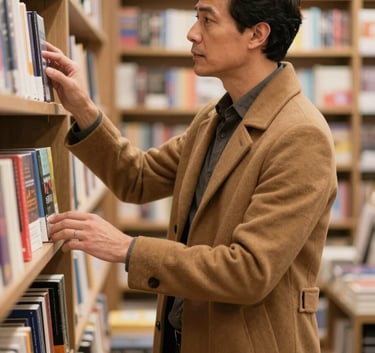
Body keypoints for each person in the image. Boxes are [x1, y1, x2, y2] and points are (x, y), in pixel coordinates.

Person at [46, 0, 337, 352]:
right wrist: (83, 108)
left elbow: (249, 271)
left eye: (207, 20)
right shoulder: (212, 119)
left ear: (257, 35)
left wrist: (128, 249)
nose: (192, 33)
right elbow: (138, 178)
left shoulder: (300, 135)